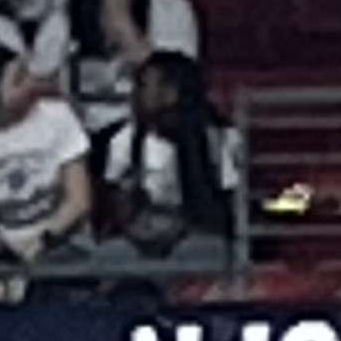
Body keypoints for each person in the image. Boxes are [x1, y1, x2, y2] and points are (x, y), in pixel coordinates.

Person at [29, 0, 201, 134]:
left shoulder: (172, 8)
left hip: (156, 130)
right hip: (85, 134)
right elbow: (37, 81)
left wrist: (122, 21)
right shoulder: (62, 20)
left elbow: (176, 83)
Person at [0, 41, 98, 267]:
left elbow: (79, 202)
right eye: (19, 79)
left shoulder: (56, 116)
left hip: (62, 242)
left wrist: (39, 243)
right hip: (6, 250)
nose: (30, 83)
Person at [96, 50, 240, 269]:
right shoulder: (124, 141)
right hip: (144, 235)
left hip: (197, 233)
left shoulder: (216, 140)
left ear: (171, 92)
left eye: (144, 86)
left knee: (204, 252)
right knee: (113, 256)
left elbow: (227, 201)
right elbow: (121, 214)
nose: (135, 94)